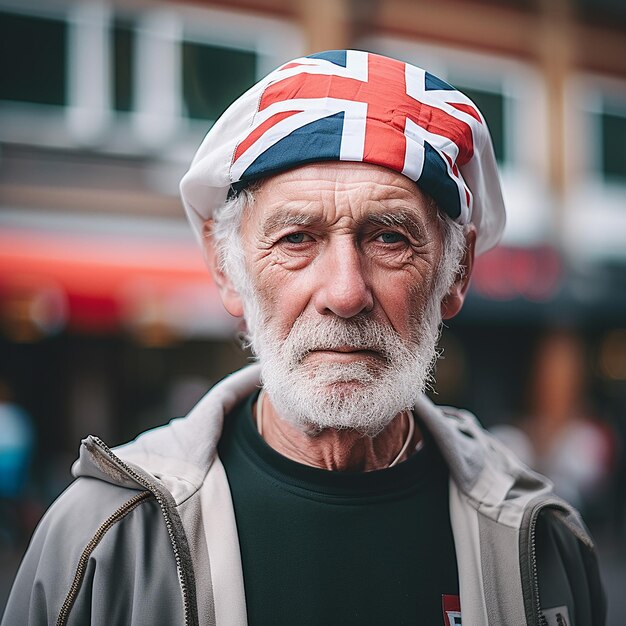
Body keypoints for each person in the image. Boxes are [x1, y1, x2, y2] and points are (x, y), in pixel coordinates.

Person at [2, 50, 605, 626]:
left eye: (390, 239)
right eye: (296, 239)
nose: (345, 293)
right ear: (225, 266)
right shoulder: (103, 537)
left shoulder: (540, 541)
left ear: (457, 271)